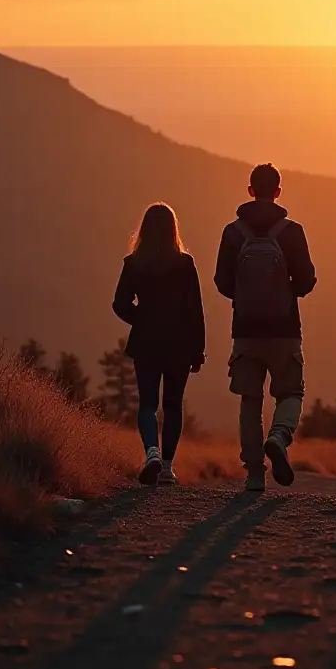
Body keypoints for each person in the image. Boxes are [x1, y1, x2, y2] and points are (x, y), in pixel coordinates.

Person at [215, 163, 316, 492]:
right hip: (285, 328)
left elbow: (222, 282)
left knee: (250, 400)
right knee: (291, 392)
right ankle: (279, 436)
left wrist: (244, 296)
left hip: (245, 329)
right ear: (278, 192)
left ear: (249, 190)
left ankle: (255, 474)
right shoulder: (292, 232)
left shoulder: (232, 232)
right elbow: (306, 281)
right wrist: (287, 291)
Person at [112, 202, 205, 486]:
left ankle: (151, 451)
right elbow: (195, 310)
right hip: (179, 344)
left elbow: (119, 304)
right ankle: (166, 467)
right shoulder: (185, 264)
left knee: (148, 404)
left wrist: (140, 318)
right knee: (173, 405)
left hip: (146, 342)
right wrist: (198, 350)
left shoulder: (134, 263)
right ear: (173, 230)